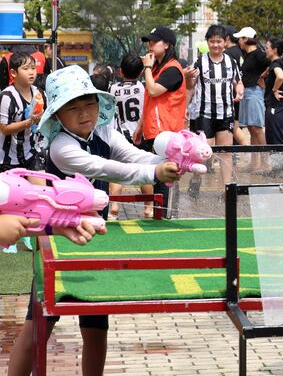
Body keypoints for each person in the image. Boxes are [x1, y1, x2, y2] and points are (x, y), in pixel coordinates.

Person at [7, 65, 179, 376]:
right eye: (72, 108)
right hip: (57, 244)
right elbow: (108, 169)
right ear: (57, 115)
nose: (84, 113)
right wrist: (155, 172)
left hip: (93, 243)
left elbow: (132, 155)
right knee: (37, 329)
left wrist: (171, 162)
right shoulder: (61, 147)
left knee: (97, 330)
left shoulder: (103, 131)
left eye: (89, 103)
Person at [132, 26, 190, 216]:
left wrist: (147, 68)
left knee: (165, 176)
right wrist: (140, 126)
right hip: (155, 131)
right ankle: (161, 214)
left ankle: (165, 214)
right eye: (149, 42)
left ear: (166, 45)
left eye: (154, 41)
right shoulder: (158, 67)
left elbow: (154, 90)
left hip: (167, 133)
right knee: (158, 175)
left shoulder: (172, 69)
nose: (150, 45)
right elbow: (150, 100)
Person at [0, 52, 45, 253]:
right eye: (26, 69)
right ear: (13, 73)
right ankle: (9, 239)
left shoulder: (38, 93)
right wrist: (29, 122)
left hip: (32, 151)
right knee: (11, 200)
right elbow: (4, 128)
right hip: (8, 156)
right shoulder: (6, 96)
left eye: (33, 68)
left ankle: (35, 239)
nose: (31, 72)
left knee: (40, 196)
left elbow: (43, 119)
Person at [189, 24, 243, 183]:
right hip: (204, 114)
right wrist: (185, 107)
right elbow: (190, 86)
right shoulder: (199, 62)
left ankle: (227, 187)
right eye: (212, 41)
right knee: (203, 152)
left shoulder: (231, 62)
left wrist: (239, 90)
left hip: (226, 113)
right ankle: (195, 182)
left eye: (219, 41)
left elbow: (238, 82)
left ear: (225, 42)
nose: (215, 45)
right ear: (207, 42)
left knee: (226, 152)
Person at [108, 53, 152, 219]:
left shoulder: (112, 89)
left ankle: (115, 205)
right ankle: (148, 207)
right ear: (141, 72)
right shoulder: (145, 88)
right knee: (144, 170)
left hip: (120, 136)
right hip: (141, 135)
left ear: (121, 71)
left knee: (117, 171)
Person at [235, 26, 269, 172]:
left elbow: (273, 63)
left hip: (254, 92)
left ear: (245, 39)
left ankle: (265, 163)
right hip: (248, 92)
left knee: (257, 128)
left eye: (240, 39)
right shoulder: (248, 55)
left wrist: (262, 77)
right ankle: (255, 163)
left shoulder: (258, 54)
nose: (239, 41)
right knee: (251, 127)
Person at [263, 36, 283, 174]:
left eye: (267, 47)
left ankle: (282, 170)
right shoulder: (278, 63)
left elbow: (281, 77)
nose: (265, 50)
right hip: (278, 107)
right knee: (273, 137)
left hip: (277, 107)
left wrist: (275, 90)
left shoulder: (276, 65)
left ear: (274, 50)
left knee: (276, 138)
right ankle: (277, 169)